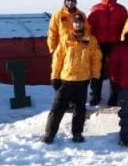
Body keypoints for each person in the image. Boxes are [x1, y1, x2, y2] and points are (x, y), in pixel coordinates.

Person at [41, 12, 101, 144]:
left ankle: (77, 133)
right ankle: (49, 134)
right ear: (72, 24)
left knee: (80, 109)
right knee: (57, 108)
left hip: (82, 80)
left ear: (83, 24)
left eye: (80, 22)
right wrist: (54, 76)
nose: (78, 24)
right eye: (75, 22)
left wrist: (95, 77)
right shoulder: (65, 39)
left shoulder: (91, 40)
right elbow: (57, 59)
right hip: (66, 80)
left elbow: (96, 60)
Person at [87, 0, 128, 106]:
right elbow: (89, 28)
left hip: (115, 44)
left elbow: (125, 27)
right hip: (99, 44)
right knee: (97, 70)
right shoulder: (96, 9)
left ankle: (114, 96)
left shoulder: (121, 9)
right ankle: (95, 95)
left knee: (114, 71)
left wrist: (124, 42)